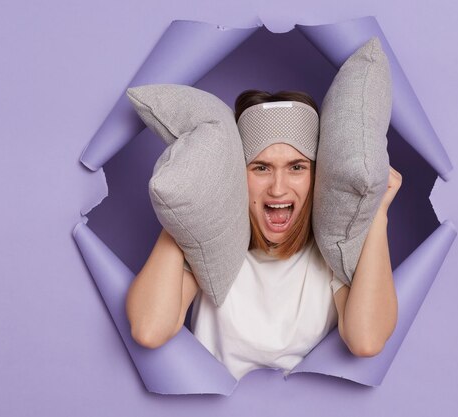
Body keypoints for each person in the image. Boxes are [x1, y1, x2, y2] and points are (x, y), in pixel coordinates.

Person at [126, 89, 401, 380]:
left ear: (319, 175)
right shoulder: (212, 247)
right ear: (236, 173)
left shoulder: (331, 253)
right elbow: (149, 329)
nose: (278, 188)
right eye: (261, 167)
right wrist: (185, 202)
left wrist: (376, 212)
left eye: (297, 167)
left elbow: (366, 340)